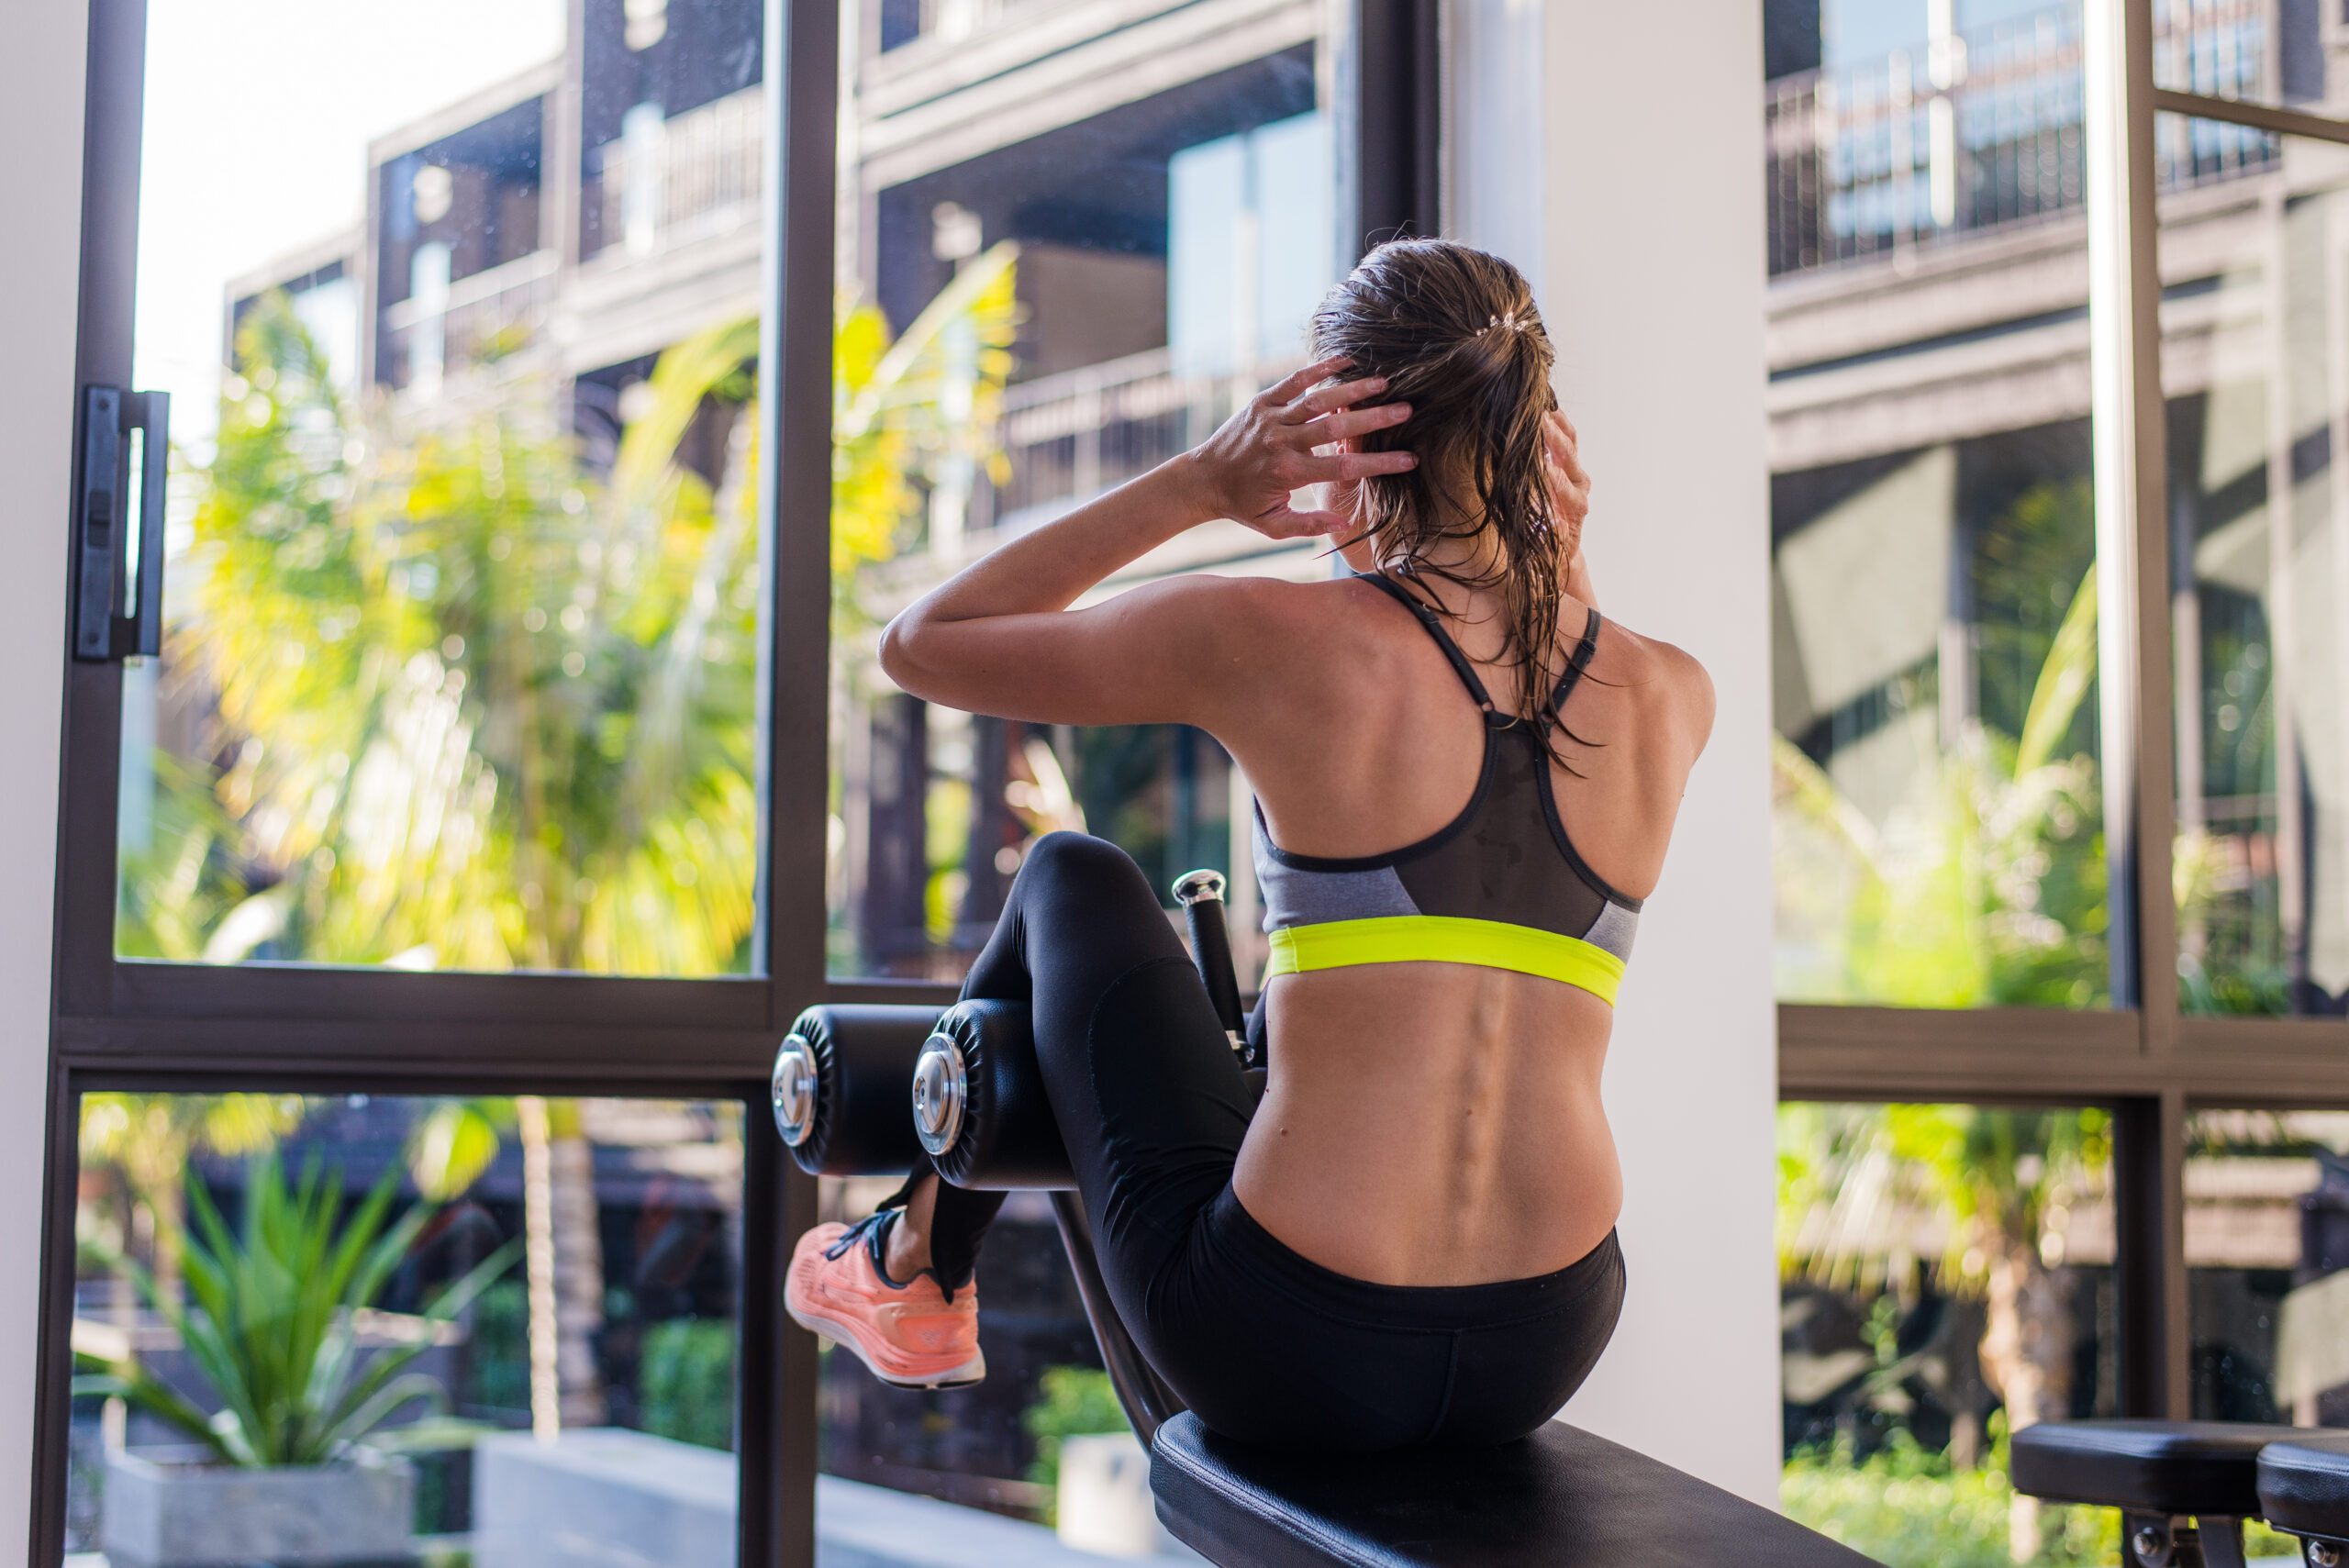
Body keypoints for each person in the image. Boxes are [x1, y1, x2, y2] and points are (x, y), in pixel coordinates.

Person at [785, 239, 1714, 1452]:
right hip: (1547, 1341)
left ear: (1335, 425)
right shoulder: (1670, 696)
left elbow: (925, 642)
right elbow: (1537, 693)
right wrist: (1550, 547)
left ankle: (913, 1265)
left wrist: (1202, 485)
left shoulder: (1280, 639)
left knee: (1070, 873)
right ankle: (910, 1265)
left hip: (1293, 1335)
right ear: (1531, 432)